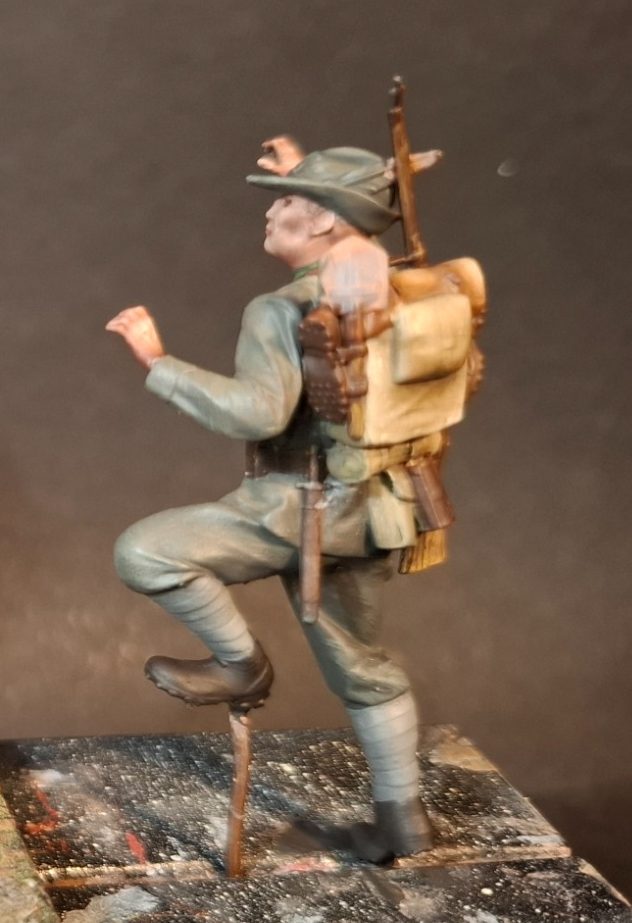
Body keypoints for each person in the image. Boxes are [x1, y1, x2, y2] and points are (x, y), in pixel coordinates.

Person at [106, 143, 433, 861]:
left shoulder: (279, 310)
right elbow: (346, 228)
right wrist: (309, 179)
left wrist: (159, 362)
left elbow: (257, 412)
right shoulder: (399, 291)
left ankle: (240, 665)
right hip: (383, 507)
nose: (270, 210)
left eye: (285, 201)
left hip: (299, 505)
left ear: (323, 223)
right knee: (363, 666)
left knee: (146, 551)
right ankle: (401, 816)